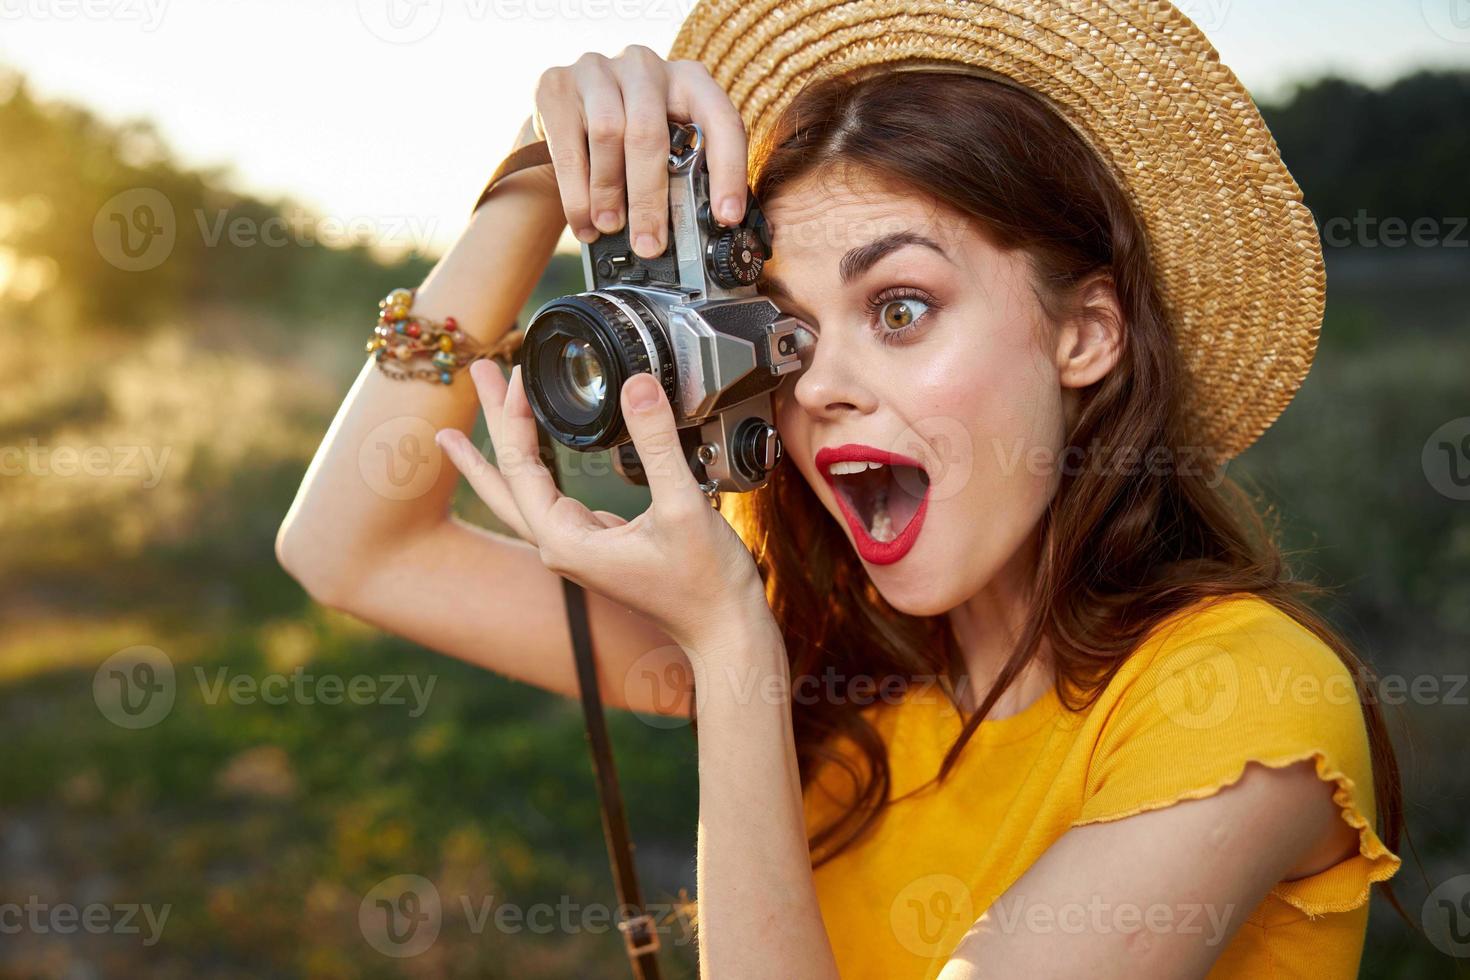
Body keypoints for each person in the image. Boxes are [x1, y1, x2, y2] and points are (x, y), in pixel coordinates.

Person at [276, 1, 1405, 976]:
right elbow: (350, 545)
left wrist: (730, 656)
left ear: (1086, 333)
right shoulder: (833, 645)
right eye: (790, 328)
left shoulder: (1243, 700)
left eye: (902, 309)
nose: (817, 386)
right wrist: (539, 175)